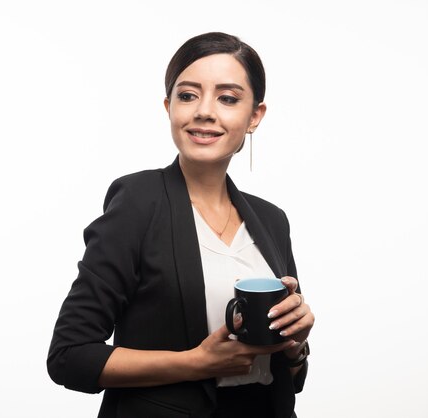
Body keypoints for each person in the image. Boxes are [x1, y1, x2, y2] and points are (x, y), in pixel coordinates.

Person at [47, 31, 315, 418]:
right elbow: (70, 356)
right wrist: (198, 362)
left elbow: (292, 378)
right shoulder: (138, 202)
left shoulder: (271, 220)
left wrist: (295, 345)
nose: (204, 111)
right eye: (188, 95)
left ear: (255, 116)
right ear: (168, 106)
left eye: (228, 98)